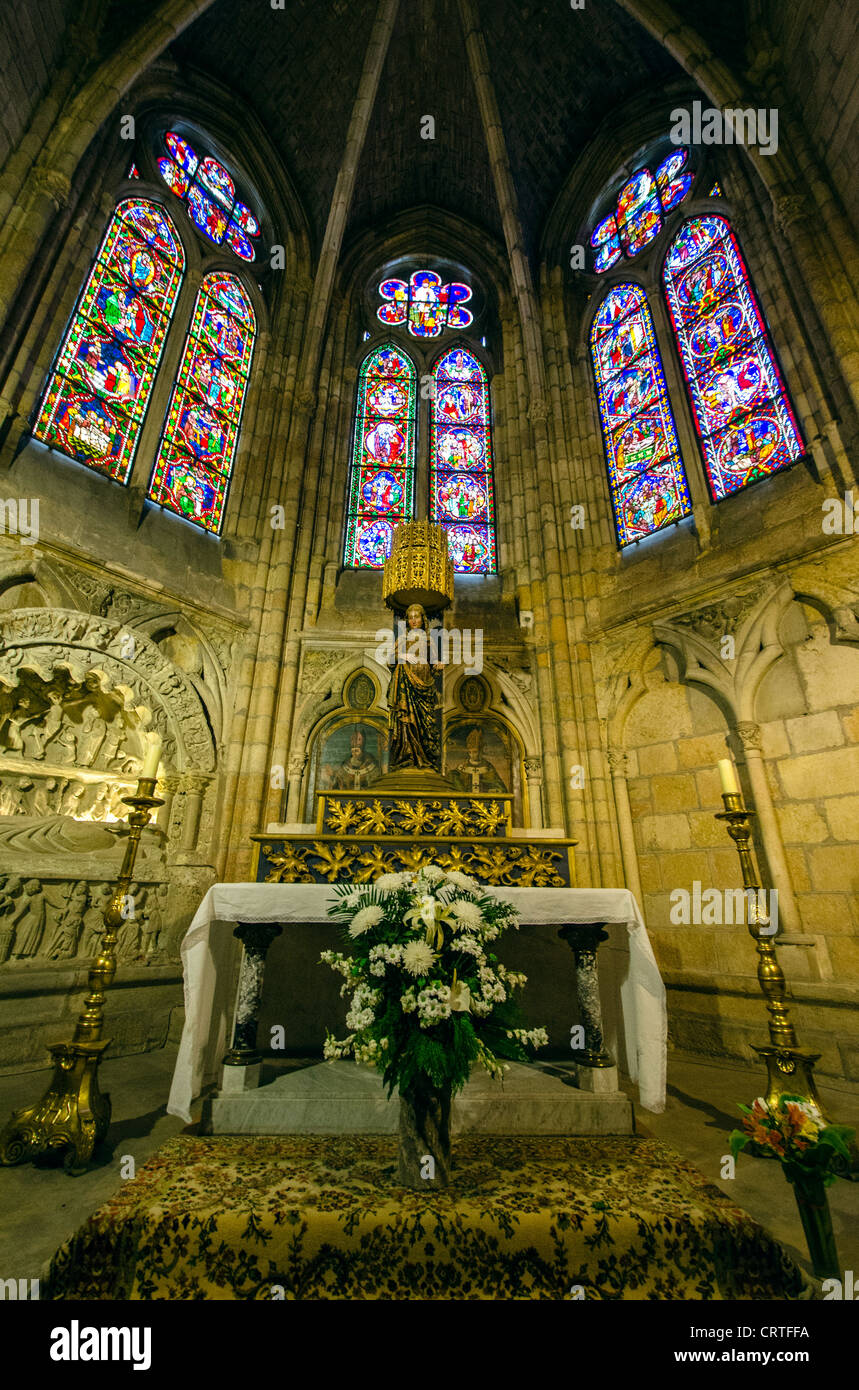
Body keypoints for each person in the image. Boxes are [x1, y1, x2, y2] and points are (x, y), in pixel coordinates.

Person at [388, 604, 443, 771]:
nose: (413, 620)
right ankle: (407, 755)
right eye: (410, 617)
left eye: (416, 617)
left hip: (424, 683)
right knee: (406, 720)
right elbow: (390, 660)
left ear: (422, 619)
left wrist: (438, 665)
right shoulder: (403, 639)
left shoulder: (428, 640)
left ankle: (424, 756)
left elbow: (433, 662)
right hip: (405, 682)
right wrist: (403, 655)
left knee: (424, 722)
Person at [449, 727, 507, 795]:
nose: (472, 755)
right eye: (470, 752)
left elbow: (499, 786)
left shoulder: (488, 767)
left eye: (475, 752)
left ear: (480, 751)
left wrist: (495, 790)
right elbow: (456, 785)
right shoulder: (462, 767)